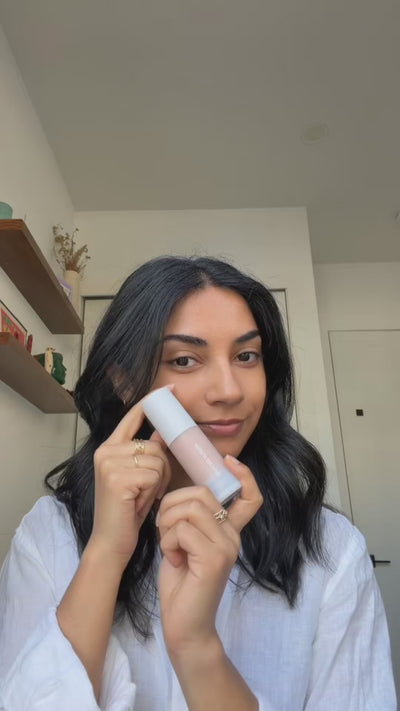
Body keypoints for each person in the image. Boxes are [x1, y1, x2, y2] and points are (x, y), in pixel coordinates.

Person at [0, 255, 396, 711]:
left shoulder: (330, 550)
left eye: (246, 356)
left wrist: (197, 647)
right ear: (125, 384)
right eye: (184, 360)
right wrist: (106, 553)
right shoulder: (49, 535)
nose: (229, 390)